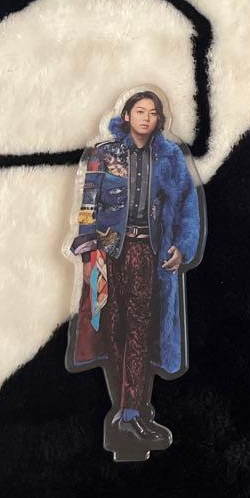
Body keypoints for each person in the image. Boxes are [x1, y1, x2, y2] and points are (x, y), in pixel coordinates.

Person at [65, 90, 203, 462]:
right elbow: (87, 204)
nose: (146, 117)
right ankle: (126, 412)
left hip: (147, 253)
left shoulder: (170, 157)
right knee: (111, 330)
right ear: (126, 115)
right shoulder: (104, 154)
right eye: (139, 111)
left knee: (139, 329)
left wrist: (182, 246)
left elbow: (187, 204)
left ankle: (131, 414)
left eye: (152, 112)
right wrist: (88, 250)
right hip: (108, 254)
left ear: (159, 119)